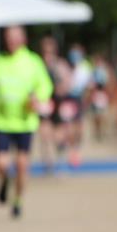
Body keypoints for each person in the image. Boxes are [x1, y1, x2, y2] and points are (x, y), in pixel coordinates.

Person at [0, 26, 53, 218]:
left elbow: (45, 85)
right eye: (9, 37)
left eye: (15, 37)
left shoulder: (33, 61)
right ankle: (4, 181)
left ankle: (18, 200)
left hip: (24, 121)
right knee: (1, 164)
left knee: (21, 164)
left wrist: (38, 98)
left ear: (23, 39)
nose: (12, 41)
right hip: (1, 120)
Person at [39, 36, 72, 171]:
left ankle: (60, 158)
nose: (47, 55)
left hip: (58, 103)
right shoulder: (38, 65)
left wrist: (61, 87)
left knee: (59, 135)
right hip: (44, 103)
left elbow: (67, 84)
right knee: (44, 134)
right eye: (45, 52)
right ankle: (49, 163)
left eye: (50, 52)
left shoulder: (60, 65)